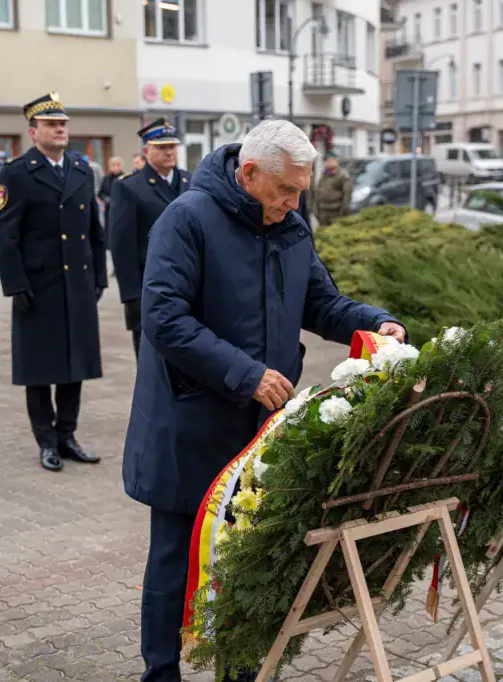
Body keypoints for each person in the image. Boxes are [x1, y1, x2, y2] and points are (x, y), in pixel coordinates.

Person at [122, 119, 406, 682]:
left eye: (301, 191)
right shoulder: (187, 219)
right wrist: (246, 374)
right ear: (248, 173)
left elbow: (320, 302)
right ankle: (161, 672)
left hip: (258, 427)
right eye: (285, 190)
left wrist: (376, 321)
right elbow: (164, 318)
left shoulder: (290, 224)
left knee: (247, 557)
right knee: (176, 558)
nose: (295, 203)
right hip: (191, 422)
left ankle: (239, 670)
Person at [0, 92, 107, 472]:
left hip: (78, 284)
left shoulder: (81, 170)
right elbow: (3, 234)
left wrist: (99, 277)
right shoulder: (17, 173)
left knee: (75, 364)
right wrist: (14, 283)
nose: (60, 129)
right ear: (33, 132)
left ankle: (67, 435)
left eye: (63, 124)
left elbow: (94, 231)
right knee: (39, 369)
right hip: (38, 287)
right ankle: (46, 440)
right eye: (51, 124)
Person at [109, 118, 191, 355]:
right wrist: (132, 296)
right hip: (151, 289)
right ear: (146, 151)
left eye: (172, 146)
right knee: (152, 360)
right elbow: (122, 246)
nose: (169, 152)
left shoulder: (190, 181)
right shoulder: (130, 187)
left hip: (190, 287)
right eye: (161, 147)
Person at [314, 149, 352, 226]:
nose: (329, 162)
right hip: (323, 210)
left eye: (332, 160)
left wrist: (343, 212)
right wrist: (316, 209)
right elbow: (318, 192)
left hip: (336, 211)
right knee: (323, 231)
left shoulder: (343, 175)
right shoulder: (324, 174)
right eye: (327, 160)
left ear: (336, 161)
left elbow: (347, 195)